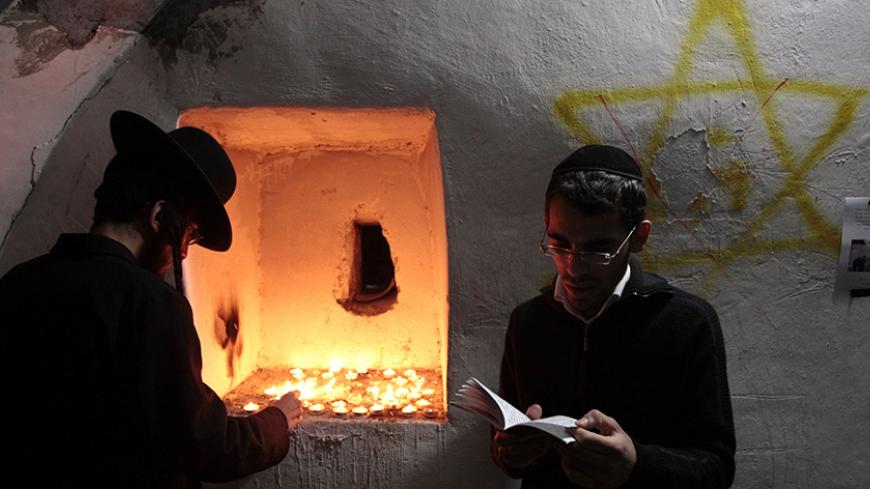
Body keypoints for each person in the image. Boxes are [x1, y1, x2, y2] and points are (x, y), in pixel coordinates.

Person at [0, 110, 302, 488]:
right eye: (189, 236)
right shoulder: (148, 302)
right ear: (159, 217)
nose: (186, 253)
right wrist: (275, 421)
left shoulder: (19, 281)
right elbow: (202, 445)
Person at [490, 145, 735, 488]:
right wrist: (508, 453)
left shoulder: (688, 323)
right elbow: (506, 450)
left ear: (639, 238)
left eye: (598, 250)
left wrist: (637, 464)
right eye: (560, 244)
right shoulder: (527, 322)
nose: (574, 268)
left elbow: (717, 469)